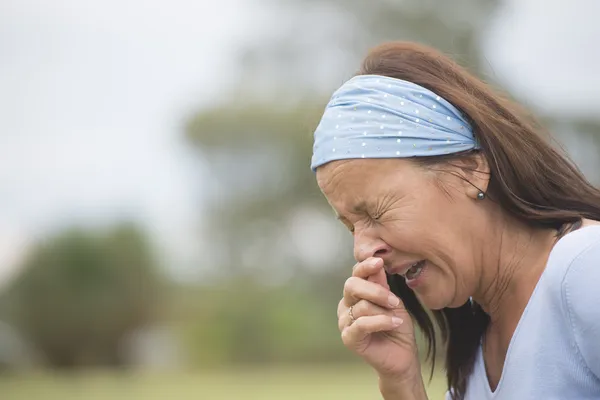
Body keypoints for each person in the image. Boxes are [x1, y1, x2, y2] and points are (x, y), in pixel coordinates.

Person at [310, 41, 600, 400]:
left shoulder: (587, 267)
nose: (363, 250)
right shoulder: (475, 358)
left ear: (471, 169)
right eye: (352, 226)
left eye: (375, 212)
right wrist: (401, 382)